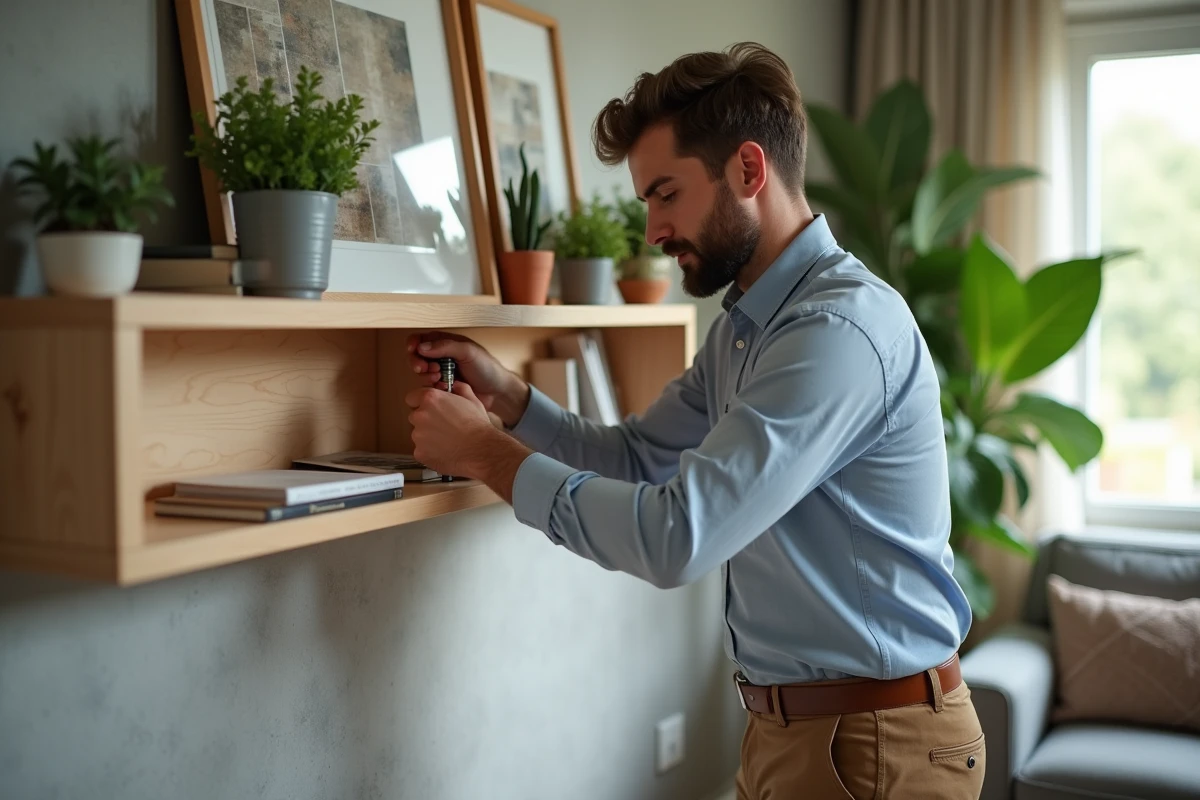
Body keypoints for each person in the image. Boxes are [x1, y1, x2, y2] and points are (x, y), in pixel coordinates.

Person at [404, 42, 984, 800]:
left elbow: (679, 537)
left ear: (748, 170)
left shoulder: (835, 332)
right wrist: (511, 400)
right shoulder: (747, 329)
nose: (653, 230)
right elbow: (638, 455)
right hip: (795, 732)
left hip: (875, 745)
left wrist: (490, 456)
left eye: (666, 194)